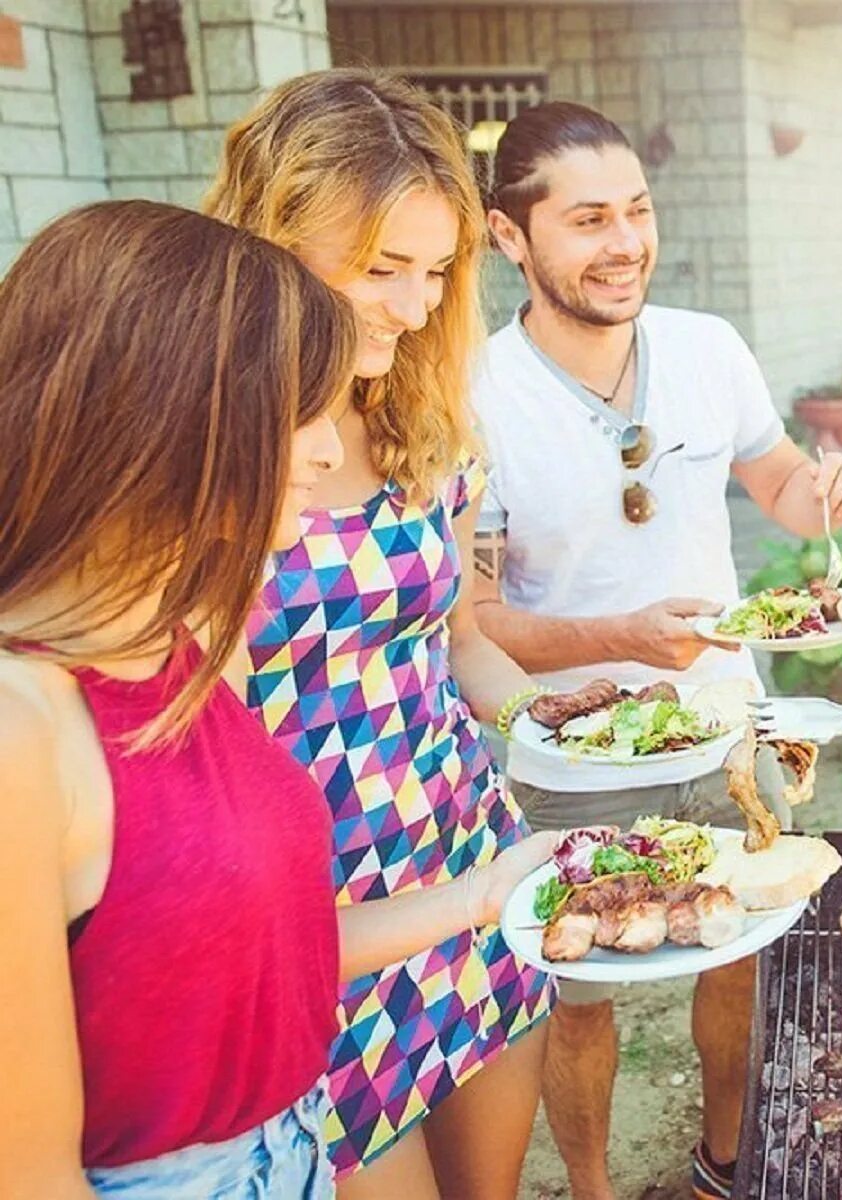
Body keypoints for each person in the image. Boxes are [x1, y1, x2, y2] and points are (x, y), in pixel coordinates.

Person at [0, 199, 554, 1199]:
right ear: (169, 419)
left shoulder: (179, 650)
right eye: (297, 410)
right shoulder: (21, 731)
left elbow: (254, 943)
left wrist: (484, 891)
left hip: (293, 1139)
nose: (329, 448)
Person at [467, 102, 842, 1200]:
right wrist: (621, 635)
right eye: (588, 219)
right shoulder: (474, 398)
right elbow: (473, 617)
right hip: (568, 756)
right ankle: (596, 1187)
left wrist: (829, 485)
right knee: (576, 989)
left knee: (739, 949)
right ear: (511, 236)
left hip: (724, 732)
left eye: (637, 211)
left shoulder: (707, 348)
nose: (624, 244)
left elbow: (783, 487)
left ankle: (727, 1159)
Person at [202, 70, 555, 1198]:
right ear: (269, 240)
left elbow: (448, 642)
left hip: (464, 859)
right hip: (314, 924)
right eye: (377, 268)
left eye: (436, 269)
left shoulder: (419, 417)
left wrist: (559, 725)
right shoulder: (195, 449)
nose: (412, 305)